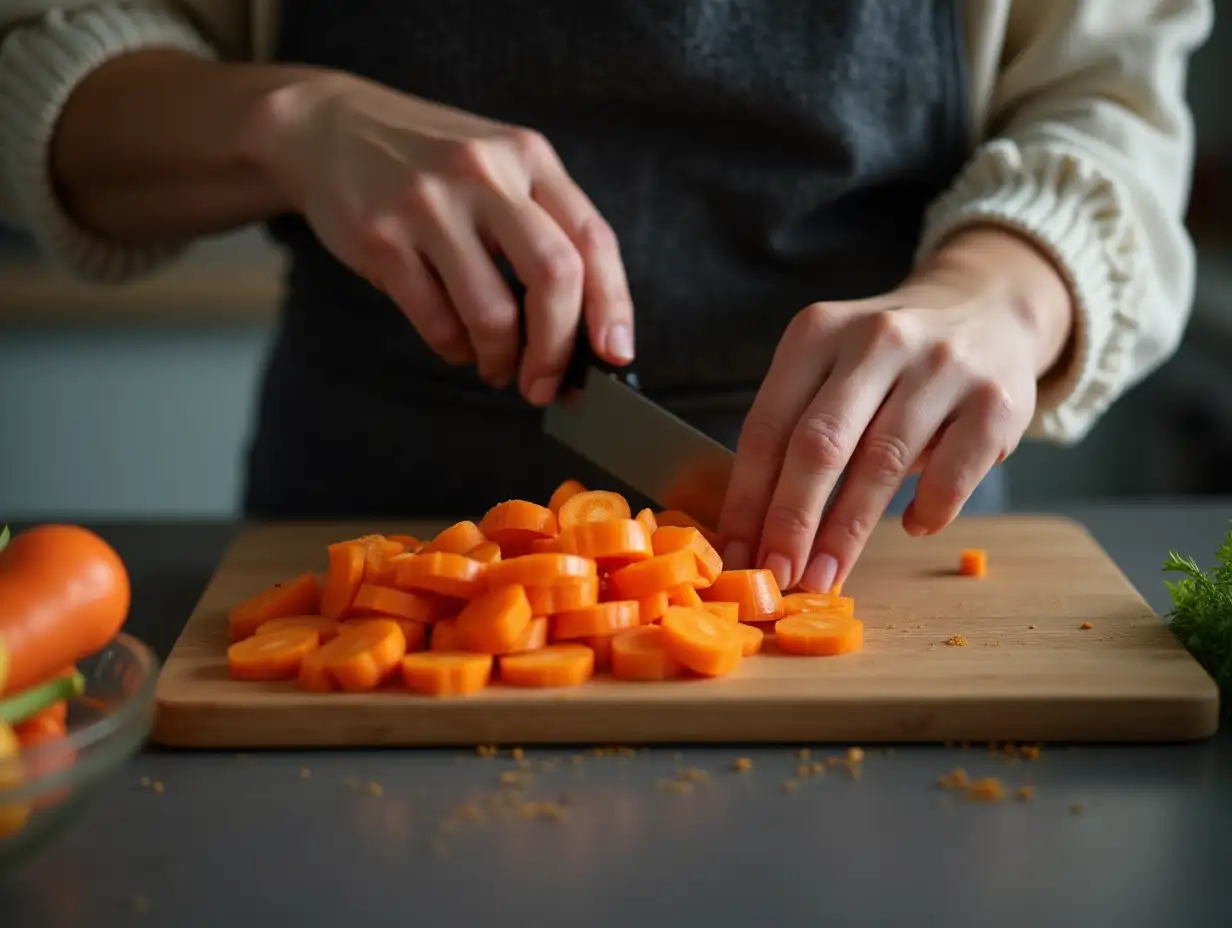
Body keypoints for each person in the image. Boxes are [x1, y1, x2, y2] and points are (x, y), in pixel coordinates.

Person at [0, 1, 1213, 594]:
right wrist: (287, 123)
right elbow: (37, 50)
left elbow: (1104, 102)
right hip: (349, 548)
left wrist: (999, 290)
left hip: (887, 550)